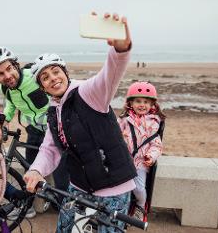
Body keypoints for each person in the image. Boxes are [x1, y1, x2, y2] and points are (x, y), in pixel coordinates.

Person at [23, 12, 137, 233]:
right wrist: (36, 170)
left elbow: (111, 73)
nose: (53, 78)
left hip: (112, 189)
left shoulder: (89, 93)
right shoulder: (54, 110)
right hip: (77, 188)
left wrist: (120, 48)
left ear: (65, 72)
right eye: (45, 78)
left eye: (55, 71)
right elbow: (50, 148)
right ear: (43, 88)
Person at [0, 47, 70, 214]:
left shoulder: (34, 75)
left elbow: (58, 90)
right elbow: (11, 104)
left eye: (9, 68)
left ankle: (64, 209)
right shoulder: (6, 88)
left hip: (55, 130)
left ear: (16, 65)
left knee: (61, 174)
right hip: (34, 130)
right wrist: (5, 120)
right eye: (0, 74)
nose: (7, 76)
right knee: (30, 170)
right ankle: (28, 206)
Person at [118, 81, 166, 221]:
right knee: (122, 188)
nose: (142, 105)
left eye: (146, 102)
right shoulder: (124, 120)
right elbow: (114, 136)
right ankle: (123, 208)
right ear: (130, 103)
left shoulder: (154, 123)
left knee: (139, 188)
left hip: (140, 163)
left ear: (152, 105)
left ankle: (140, 204)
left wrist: (151, 156)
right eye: (138, 101)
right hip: (124, 162)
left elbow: (156, 145)